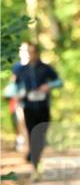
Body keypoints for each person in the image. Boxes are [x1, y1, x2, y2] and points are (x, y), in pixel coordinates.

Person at [12, 43, 62, 175]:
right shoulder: (20, 70)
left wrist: (48, 86)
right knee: (32, 134)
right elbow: (15, 87)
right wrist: (18, 94)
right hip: (28, 108)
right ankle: (35, 164)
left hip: (43, 107)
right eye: (27, 52)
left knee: (41, 135)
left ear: (37, 53)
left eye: (32, 51)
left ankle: (34, 155)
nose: (30, 54)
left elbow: (59, 81)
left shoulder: (45, 68)